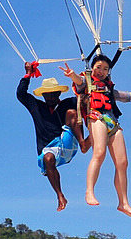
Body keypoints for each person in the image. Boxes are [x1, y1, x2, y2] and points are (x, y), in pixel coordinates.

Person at [61, 55, 131, 218]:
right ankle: (89, 191)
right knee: (99, 153)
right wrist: (71, 74)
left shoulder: (109, 89)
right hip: (96, 117)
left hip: (113, 122)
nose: (101, 71)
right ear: (92, 68)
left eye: (105, 69)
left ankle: (124, 203)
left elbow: (130, 96)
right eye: (98, 67)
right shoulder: (87, 83)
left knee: (122, 163)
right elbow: (79, 81)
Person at [17, 62, 90, 211]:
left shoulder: (66, 103)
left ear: (58, 93)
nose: (50, 97)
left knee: (72, 113)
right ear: (43, 95)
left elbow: (84, 97)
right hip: (49, 148)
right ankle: (60, 195)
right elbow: (21, 95)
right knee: (48, 158)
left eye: (53, 94)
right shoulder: (36, 107)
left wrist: (86, 85)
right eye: (47, 94)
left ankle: (86, 142)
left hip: (66, 143)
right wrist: (28, 75)